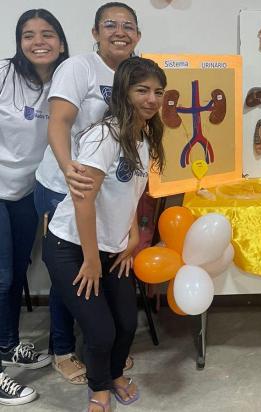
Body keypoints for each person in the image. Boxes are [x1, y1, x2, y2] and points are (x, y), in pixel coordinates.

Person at [43, 56, 166, 412]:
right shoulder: (104, 135)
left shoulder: (143, 136)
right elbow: (84, 200)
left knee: (127, 323)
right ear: (123, 92)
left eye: (158, 92)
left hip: (111, 248)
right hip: (71, 246)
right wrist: (93, 260)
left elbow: (130, 192)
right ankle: (98, 389)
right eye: (142, 90)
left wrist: (130, 236)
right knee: (100, 331)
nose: (151, 99)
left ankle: (113, 373)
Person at [34, 1, 141, 385]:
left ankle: (100, 349)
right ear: (95, 33)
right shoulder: (78, 67)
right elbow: (60, 123)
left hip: (108, 191)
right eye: (110, 24)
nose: (119, 31)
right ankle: (62, 351)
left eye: (128, 25)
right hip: (64, 185)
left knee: (97, 271)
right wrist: (69, 170)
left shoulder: (135, 71)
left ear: (138, 36)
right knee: (71, 273)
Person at [0, 9, 68, 406]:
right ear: (19, 42)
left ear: (60, 41)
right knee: (2, 276)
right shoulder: (5, 74)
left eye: (47, 34)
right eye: (29, 35)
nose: (38, 41)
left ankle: (7, 344)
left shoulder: (65, 79)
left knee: (14, 275)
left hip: (28, 191)